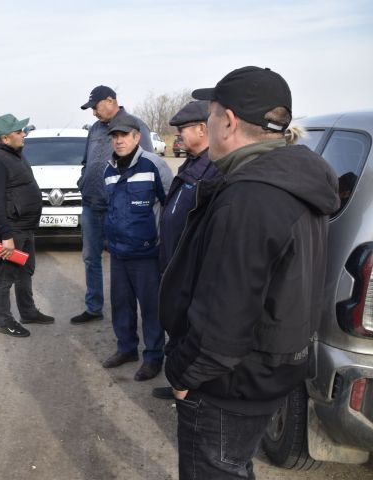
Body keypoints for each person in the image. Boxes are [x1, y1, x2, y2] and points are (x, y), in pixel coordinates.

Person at [160, 66, 339, 479]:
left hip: (228, 382)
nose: (205, 123)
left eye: (209, 114)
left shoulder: (250, 197)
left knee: (216, 468)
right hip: (262, 372)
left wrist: (186, 373)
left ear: (228, 121)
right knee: (233, 464)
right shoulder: (286, 178)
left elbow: (224, 316)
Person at [151, 100, 220, 401]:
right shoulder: (193, 163)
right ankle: (180, 381)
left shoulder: (213, 168)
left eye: (182, 130)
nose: (177, 136)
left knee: (190, 336)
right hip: (174, 267)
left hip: (191, 273)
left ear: (203, 129)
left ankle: (191, 393)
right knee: (177, 334)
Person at [73, 85, 154, 325]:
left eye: (95, 107)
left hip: (118, 208)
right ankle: (93, 306)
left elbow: (147, 164)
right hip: (90, 205)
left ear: (110, 101)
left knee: (124, 259)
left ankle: (129, 314)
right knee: (90, 258)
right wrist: (83, 180)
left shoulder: (134, 125)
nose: (94, 113)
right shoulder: (96, 129)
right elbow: (87, 160)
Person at [101, 112, 171, 380]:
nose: (118, 141)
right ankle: (126, 348)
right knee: (121, 304)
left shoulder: (153, 165)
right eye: (115, 136)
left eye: (124, 135)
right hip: (119, 252)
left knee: (151, 308)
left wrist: (165, 244)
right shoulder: (109, 169)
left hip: (147, 253)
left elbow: (169, 205)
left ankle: (153, 356)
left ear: (137, 137)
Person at [0, 113, 55, 338]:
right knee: (5, 277)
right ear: (4, 138)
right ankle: (5, 321)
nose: (24, 135)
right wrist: (6, 236)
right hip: (10, 229)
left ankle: (28, 311)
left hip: (25, 227)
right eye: (19, 132)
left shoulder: (15, 153)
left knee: (25, 271)